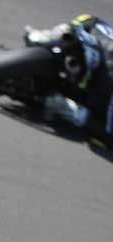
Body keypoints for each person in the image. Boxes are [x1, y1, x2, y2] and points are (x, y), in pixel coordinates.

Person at [25, 14, 113, 145]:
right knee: (88, 20)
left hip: (93, 104)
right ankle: (50, 37)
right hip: (94, 64)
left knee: (104, 132)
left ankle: (65, 107)